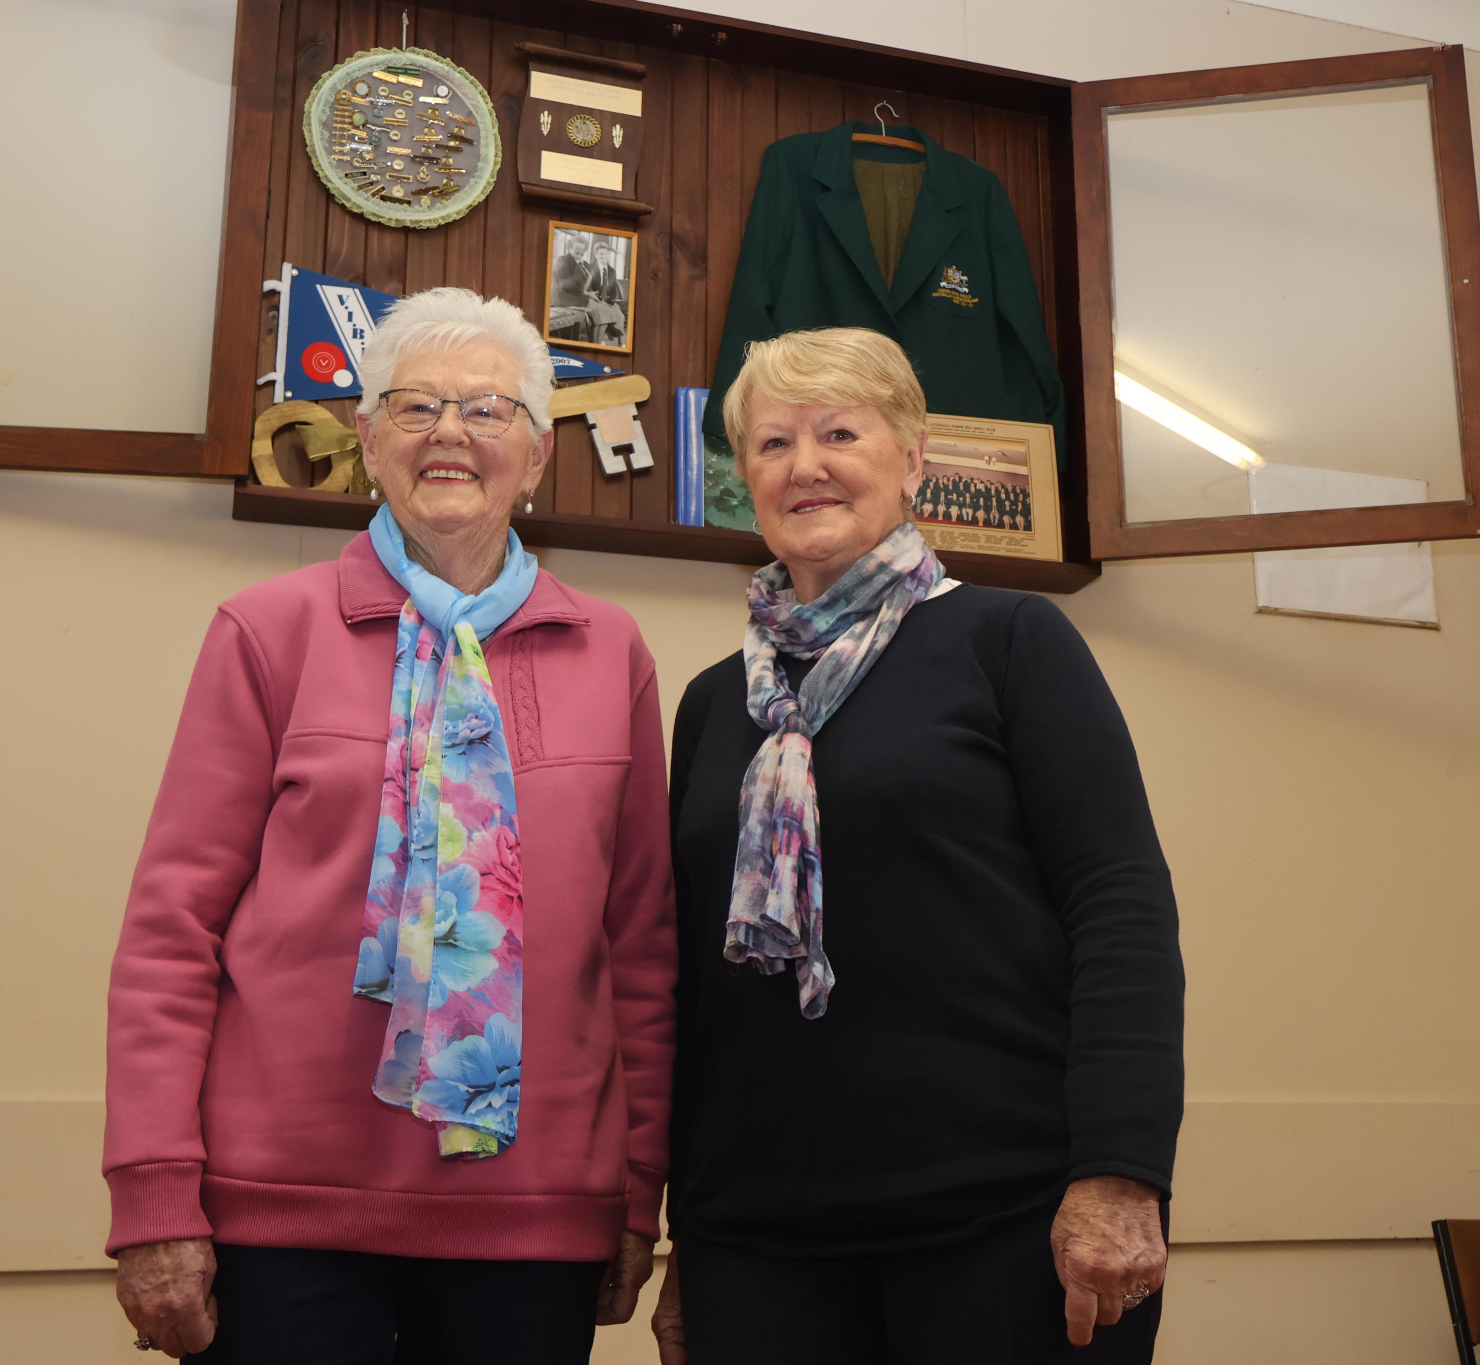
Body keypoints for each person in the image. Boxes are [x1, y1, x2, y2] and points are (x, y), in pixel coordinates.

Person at [105, 287, 676, 1362]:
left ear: (538, 454)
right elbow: (171, 934)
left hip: (533, 1216)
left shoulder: (612, 651)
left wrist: (636, 1191)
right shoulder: (267, 631)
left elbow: (639, 949)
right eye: (415, 409)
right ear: (368, 442)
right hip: (280, 1219)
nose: (450, 433)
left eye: (488, 410)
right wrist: (153, 1199)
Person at [653, 328, 1183, 1365]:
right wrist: (689, 1236)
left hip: (1005, 1223)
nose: (802, 465)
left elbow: (1118, 904)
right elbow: (690, 988)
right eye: (769, 444)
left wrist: (1119, 1174)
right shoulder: (715, 705)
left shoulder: (1008, 641)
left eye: (838, 433)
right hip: (758, 1236)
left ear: (910, 461)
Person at [549, 233, 595, 342]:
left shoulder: (579, 263)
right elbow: (565, 285)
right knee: (600, 311)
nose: (581, 252)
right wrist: (587, 293)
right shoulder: (564, 260)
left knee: (605, 310)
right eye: (577, 248)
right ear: (569, 247)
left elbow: (586, 282)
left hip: (576, 301)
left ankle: (593, 340)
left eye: (583, 249)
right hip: (566, 301)